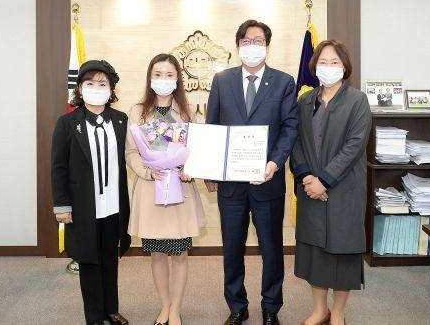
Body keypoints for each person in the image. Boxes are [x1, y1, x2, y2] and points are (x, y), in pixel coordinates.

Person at [205, 19, 298, 325]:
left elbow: (289, 128)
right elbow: (212, 127)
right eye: (246, 41)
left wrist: (274, 163)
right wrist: (210, 170)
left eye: (258, 41)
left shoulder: (283, 82)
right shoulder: (222, 80)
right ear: (238, 46)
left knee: (271, 248)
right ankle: (237, 307)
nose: (252, 46)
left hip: (267, 181)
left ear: (267, 46)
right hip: (231, 184)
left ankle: (271, 307)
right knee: (232, 248)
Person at [290, 40, 372, 325]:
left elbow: (354, 146)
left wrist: (324, 181)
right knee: (315, 253)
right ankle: (319, 310)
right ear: (314, 67)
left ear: (345, 67)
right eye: (323, 62)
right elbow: (296, 142)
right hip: (310, 188)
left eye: (334, 62)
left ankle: (337, 313)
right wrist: (307, 178)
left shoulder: (357, 100)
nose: (328, 67)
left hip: (343, 188)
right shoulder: (305, 101)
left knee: (342, 254)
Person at [126, 53, 206, 325]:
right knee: (158, 254)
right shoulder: (137, 111)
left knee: (180, 254)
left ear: (177, 79)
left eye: (169, 75)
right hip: (151, 192)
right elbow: (131, 153)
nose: (163, 79)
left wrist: (189, 169)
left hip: (180, 193)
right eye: (158, 74)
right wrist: (149, 171)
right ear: (150, 78)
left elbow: (198, 150)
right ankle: (165, 305)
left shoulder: (189, 112)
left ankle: (176, 309)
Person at [51, 60, 131, 325]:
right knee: (89, 261)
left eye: (102, 83)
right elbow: (58, 166)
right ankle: (94, 316)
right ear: (80, 88)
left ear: (111, 89)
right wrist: (62, 205)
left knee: (110, 259)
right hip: (83, 205)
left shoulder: (121, 120)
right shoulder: (67, 123)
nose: (96, 88)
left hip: (113, 204)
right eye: (90, 83)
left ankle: (111, 309)